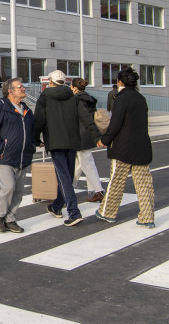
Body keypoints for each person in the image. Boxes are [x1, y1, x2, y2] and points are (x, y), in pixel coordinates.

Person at [33, 70, 101, 227]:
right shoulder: (72, 97)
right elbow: (85, 118)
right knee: (67, 177)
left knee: (64, 178)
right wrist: (97, 136)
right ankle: (57, 206)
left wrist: (35, 139)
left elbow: (38, 120)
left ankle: (73, 212)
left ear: (50, 81)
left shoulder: (45, 97)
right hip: (72, 141)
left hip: (56, 142)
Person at [96, 67, 155, 228]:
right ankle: (147, 217)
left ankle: (107, 212)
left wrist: (105, 140)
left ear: (120, 82)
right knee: (144, 185)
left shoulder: (121, 99)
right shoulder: (141, 98)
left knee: (116, 181)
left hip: (122, 147)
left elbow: (115, 125)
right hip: (142, 146)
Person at [0, 77, 36, 233]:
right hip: (4, 158)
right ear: (10, 91)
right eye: (20, 87)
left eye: (23, 86)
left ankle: (10, 219)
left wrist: (33, 144)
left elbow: (31, 131)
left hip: (23, 157)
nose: (23, 89)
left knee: (19, 191)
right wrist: (2, 148)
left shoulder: (26, 110)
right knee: (8, 187)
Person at [70, 78, 105, 202]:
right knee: (80, 163)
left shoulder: (75, 100)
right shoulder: (90, 99)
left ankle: (98, 190)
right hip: (88, 134)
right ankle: (71, 187)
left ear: (74, 88)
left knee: (87, 164)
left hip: (79, 135)